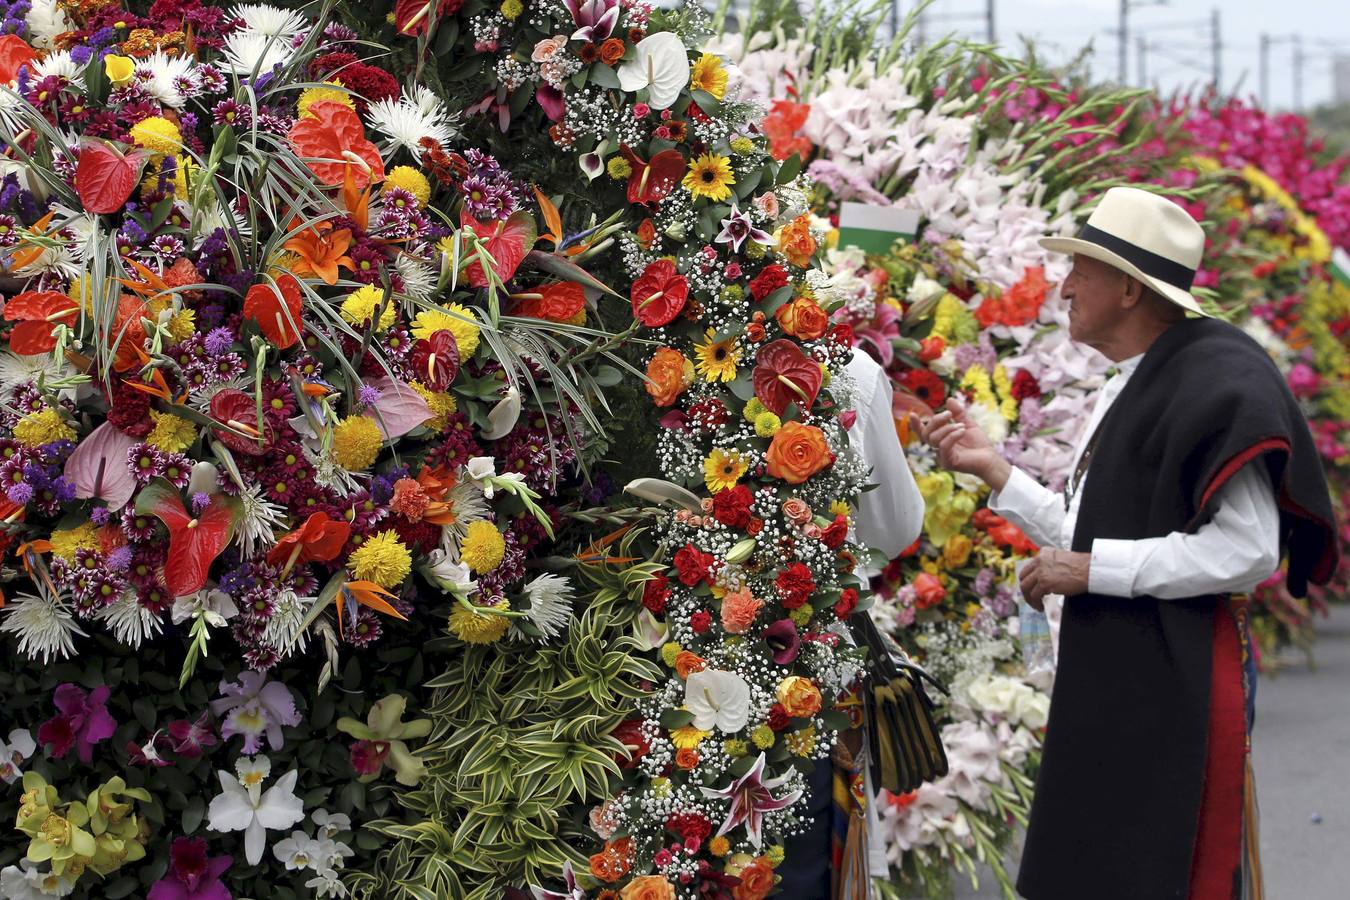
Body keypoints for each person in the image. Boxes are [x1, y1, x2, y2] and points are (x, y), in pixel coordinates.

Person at [912, 186, 1339, 900]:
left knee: (1158, 874)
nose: (1065, 285)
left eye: (1082, 268)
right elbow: (1098, 534)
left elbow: (1250, 549)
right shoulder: (1147, 377)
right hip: (1128, 673)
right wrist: (998, 474)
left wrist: (1095, 570)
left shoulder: (1214, 379)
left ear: (1133, 290)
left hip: (1178, 680)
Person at [777, 347, 924, 899]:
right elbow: (896, 526)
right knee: (793, 863)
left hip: (631, 678)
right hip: (803, 686)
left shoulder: (620, 338)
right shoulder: (845, 367)